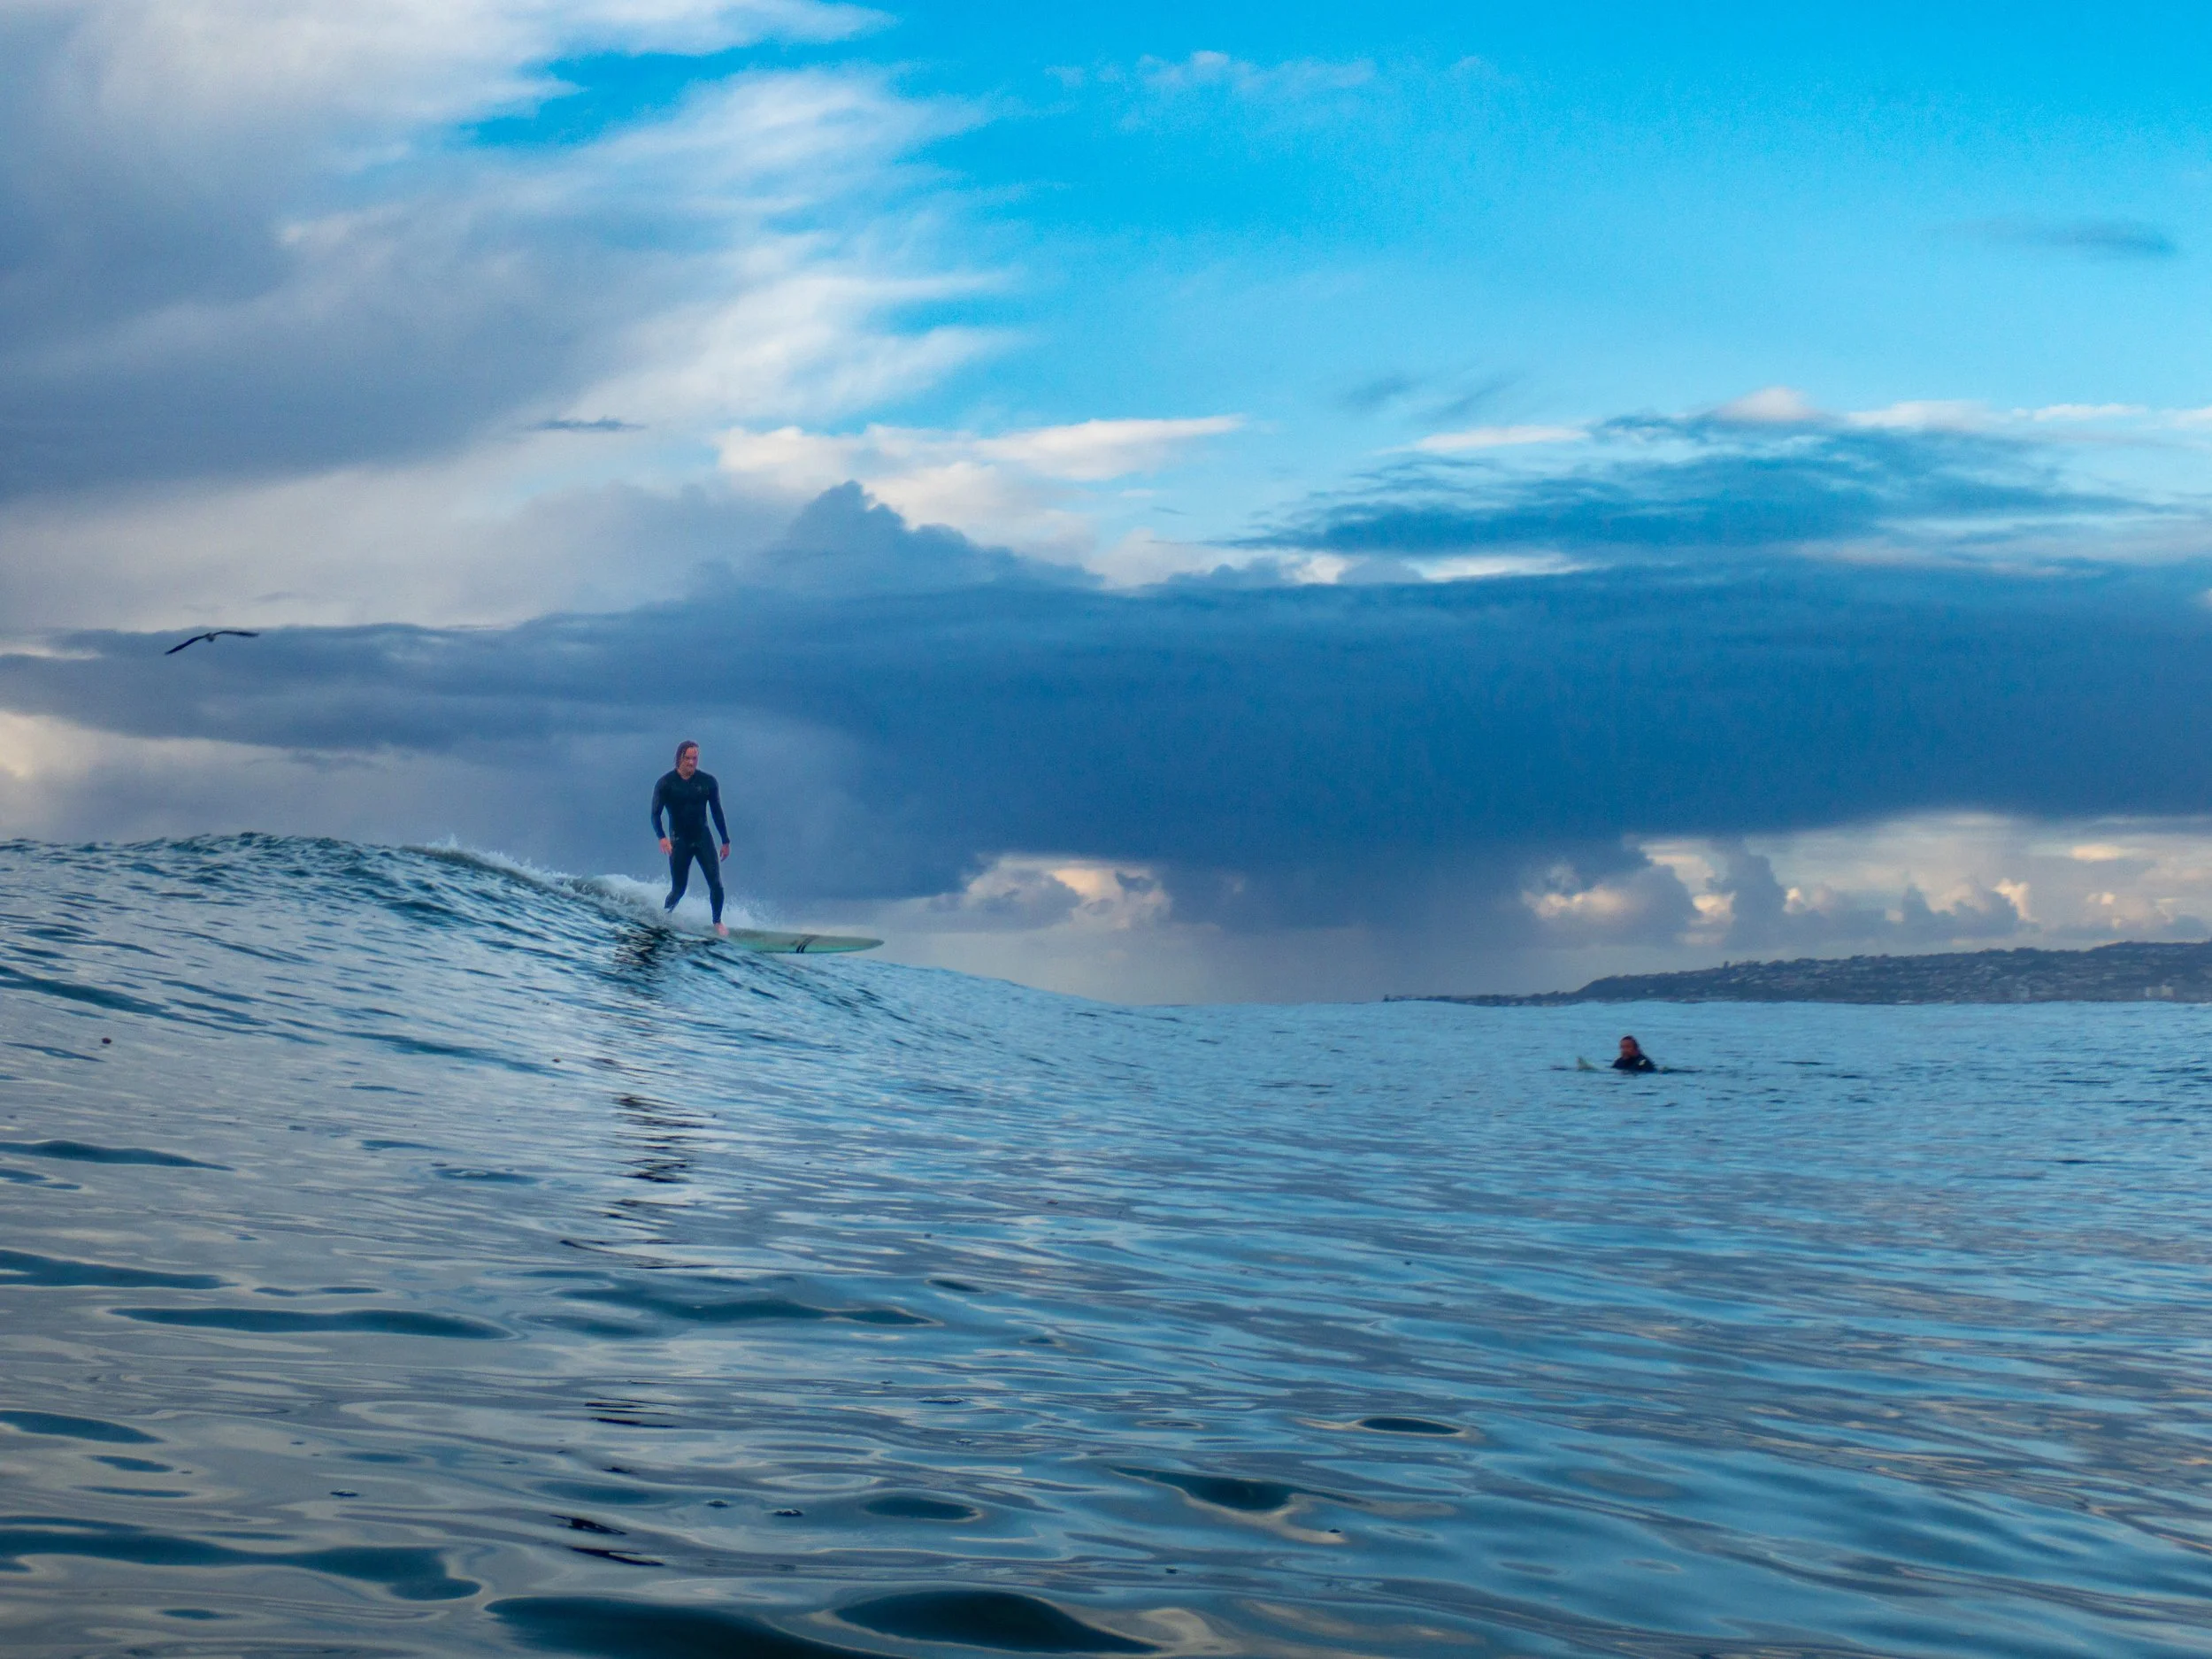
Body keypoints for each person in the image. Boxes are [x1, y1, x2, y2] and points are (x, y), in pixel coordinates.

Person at [651, 740, 731, 936]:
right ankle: (664, 917)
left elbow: (717, 812)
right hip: (679, 842)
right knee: (679, 889)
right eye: (687, 758)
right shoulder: (666, 783)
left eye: (695, 758)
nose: (691, 762)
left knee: (716, 883)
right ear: (679, 758)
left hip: (703, 838)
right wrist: (662, 837)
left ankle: (717, 923)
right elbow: (655, 814)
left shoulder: (708, 782)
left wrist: (725, 840)